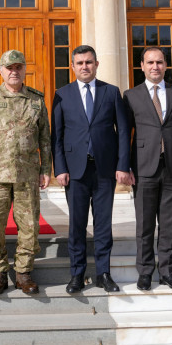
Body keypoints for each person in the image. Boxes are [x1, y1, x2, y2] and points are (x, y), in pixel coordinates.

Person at [51, 45, 131, 294]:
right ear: (73, 67)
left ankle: (104, 273)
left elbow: (123, 132)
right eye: (79, 63)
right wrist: (60, 168)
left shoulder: (111, 92)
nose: (84, 66)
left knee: (103, 224)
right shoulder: (62, 94)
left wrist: (122, 165)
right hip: (75, 171)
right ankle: (77, 274)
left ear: (96, 64)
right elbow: (57, 136)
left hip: (105, 169)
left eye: (88, 62)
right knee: (76, 224)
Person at [0, 50, 51, 296]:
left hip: (27, 174)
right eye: (9, 68)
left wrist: (46, 168)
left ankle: (24, 272)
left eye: (18, 67)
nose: (14, 72)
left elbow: (45, 139)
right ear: (1, 71)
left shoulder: (36, 100)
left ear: (24, 69)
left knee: (29, 226)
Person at [122, 46, 172, 291]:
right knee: (144, 225)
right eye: (150, 62)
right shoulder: (131, 96)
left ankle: (167, 272)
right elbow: (125, 134)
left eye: (160, 62)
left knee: (169, 223)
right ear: (141, 66)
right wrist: (125, 167)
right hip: (143, 168)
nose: (155, 67)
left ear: (166, 65)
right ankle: (144, 272)